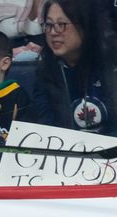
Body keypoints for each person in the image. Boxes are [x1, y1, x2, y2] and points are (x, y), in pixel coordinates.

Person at [31, 0, 117, 134]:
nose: (53, 32)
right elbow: (45, 128)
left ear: (85, 26)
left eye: (62, 24)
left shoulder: (111, 65)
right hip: (66, 151)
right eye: (49, 25)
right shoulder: (45, 71)